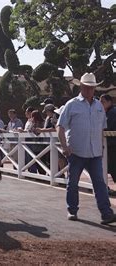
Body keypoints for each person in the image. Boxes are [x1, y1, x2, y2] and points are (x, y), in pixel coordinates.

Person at [57, 72, 116, 224]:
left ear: (94, 88)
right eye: (87, 87)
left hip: (95, 152)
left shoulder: (99, 106)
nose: (89, 90)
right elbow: (60, 126)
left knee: (100, 184)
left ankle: (106, 213)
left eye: (92, 87)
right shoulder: (71, 104)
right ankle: (72, 210)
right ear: (81, 87)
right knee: (73, 183)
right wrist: (65, 146)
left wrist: (101, 148)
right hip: (76, 151)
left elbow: (101, 129)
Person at [99, 94, 116, 196]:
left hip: (113, 144)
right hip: (110, 144)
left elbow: (107, 127)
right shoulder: (108, 112)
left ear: (109, 102)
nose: (101, 104)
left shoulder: (112, 113)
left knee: (113, 167)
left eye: (103, 102)